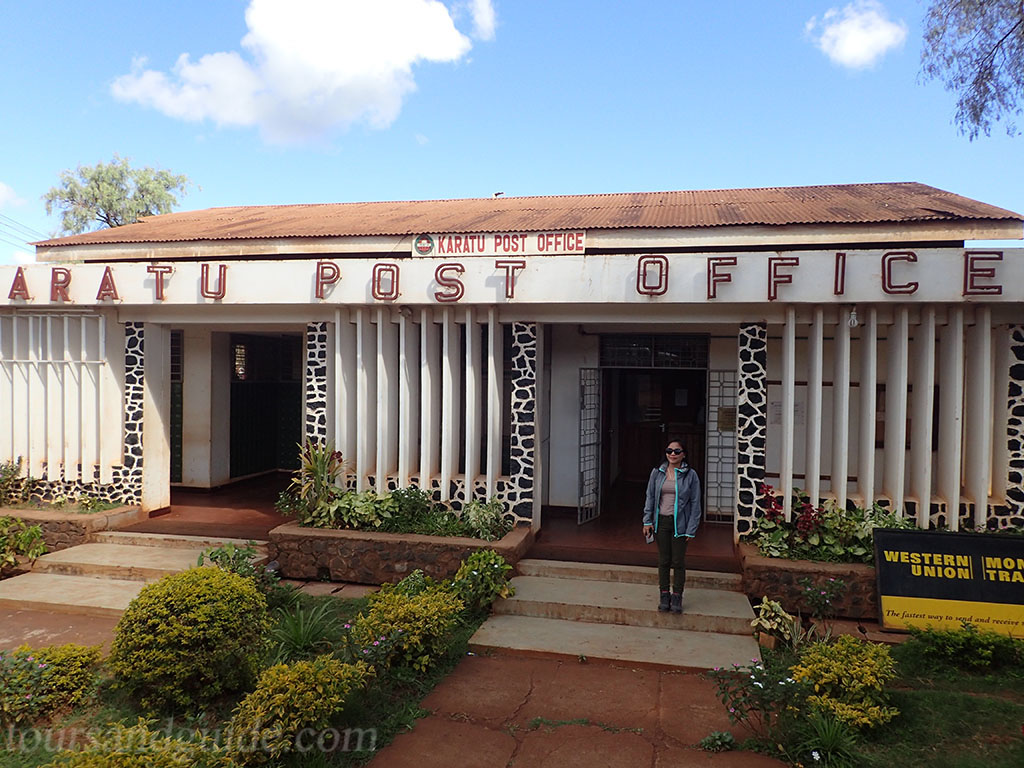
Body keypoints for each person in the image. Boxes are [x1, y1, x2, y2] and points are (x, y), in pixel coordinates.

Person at [642, 440, 702, 614]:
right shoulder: (657, 472)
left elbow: (695, 502)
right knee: (663, 560)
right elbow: (650, 497)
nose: (673, 454)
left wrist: (691, 528)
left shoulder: (690, 475)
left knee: (678, 561)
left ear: (684, 454)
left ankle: (677, 596)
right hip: (661, 522)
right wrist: (647, 521)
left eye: (677, 451)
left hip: (680, 524)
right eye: (669, 450)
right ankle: (664, 595)